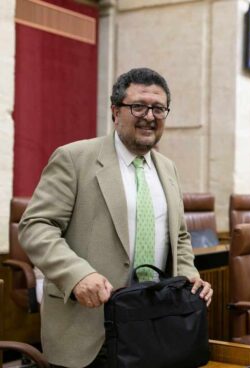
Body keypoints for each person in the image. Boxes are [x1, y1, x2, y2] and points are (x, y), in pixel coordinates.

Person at [18, 68, 213, 368]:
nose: (149, 116)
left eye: (158, 108)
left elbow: (180, 236)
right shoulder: (74, 158)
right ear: (115, 111)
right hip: (89, 331)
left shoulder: (168, 168)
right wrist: (77, 274)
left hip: (153, 326)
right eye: (138, 106)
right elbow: (36, 227)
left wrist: (189, 275)